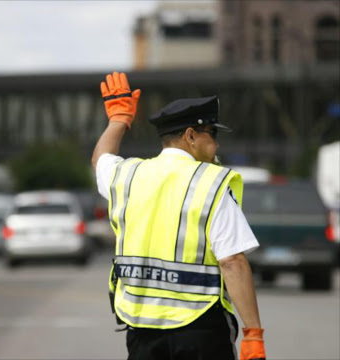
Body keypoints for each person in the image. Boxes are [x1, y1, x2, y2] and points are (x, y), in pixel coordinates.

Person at [91, 72, 266, 360]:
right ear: (191, 135)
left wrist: (118, 121)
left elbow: (101, 161)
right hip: (200, 330)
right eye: (213, 134)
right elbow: (232, 261)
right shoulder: (210, 182)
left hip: (140, 329)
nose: (217, 145)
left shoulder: (127, 175)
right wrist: (253, 332)